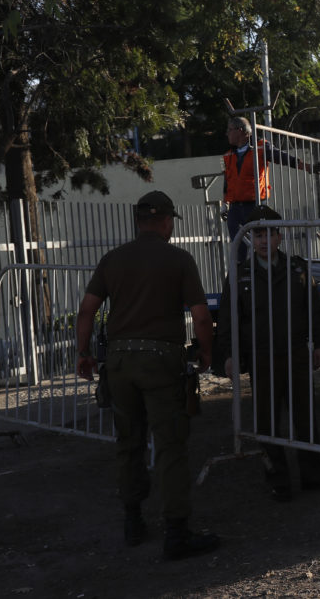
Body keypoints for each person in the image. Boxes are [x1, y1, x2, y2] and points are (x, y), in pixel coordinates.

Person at [75, 190, 220, 559]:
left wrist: (83, 353)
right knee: (170, 445)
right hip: (160, 360)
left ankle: (133, 521)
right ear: (167, 221)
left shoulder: (113, 259)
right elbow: (201, 315)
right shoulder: (179, 259)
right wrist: (206, 352)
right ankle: (176, 533)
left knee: (129, 442)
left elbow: (87, 310)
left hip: (119, 363)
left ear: (138, 221)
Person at [214, 205, 320, 502]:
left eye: (269, 234)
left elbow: (314, 310)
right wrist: (230, 354)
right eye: (258, 235)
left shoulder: (297, 269)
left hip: (296, 353)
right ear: (250, 238)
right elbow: (229, 319)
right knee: (267, 421)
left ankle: (313, 475)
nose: (263, 240)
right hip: (261, 357)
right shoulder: (240, 274)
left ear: (279, 237)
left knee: (305, 417)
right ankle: (278, 480)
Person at [222, 116, 320, 260]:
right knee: (239, 246)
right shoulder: (229, 155)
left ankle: (267, 268)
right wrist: (225, 204)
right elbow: (227, 180)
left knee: (262, 243)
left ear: (240, 131)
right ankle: (242, 271)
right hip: (235, 208)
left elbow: (283, 158)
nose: (227, 133)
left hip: (254, 206)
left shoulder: (261, 147)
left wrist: (307, 167)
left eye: (230, 130)